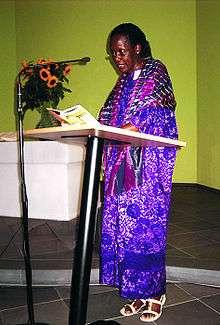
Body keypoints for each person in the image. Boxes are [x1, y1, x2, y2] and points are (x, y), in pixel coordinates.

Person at [98, 23, 178, 322]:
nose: (117, 58)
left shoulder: (156, 71)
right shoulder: (121, 84)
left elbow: (164, 113)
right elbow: (106, 117)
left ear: (137, 48)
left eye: (121, 51)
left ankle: (156, 293)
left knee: (145, 229)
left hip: (146, 166)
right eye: (112, 53)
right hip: (121, 165)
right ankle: (136, 292)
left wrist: (139, 126)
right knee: (123, 227)